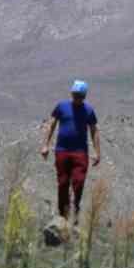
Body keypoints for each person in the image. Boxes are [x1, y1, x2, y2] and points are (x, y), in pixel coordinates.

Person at [40, 79, 101, 223]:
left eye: (80, 95)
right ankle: (63, 215)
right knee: (63, 183)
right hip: (62, 151)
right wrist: (45, 145)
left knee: (78, 182)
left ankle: (75, 207)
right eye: (75, 94)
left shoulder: (89, 111)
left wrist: (98, 152)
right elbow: (51, 125)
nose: (77, 97)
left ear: (84, 96)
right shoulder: (61, 107)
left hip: (80, 152)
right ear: (71, 93)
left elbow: (94, 131)